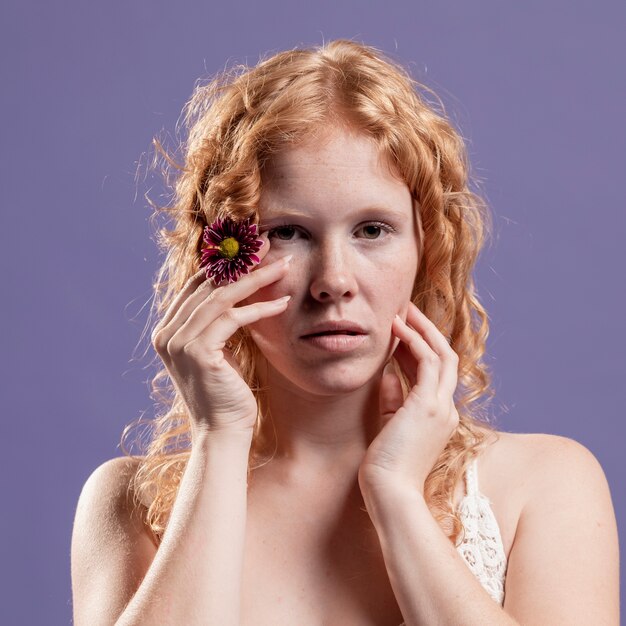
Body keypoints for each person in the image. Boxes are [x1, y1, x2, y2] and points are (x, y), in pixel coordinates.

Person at [70, 39, 619, 625]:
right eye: (288, 232)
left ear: (426, 249)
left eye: (373, 230)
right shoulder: (130, 504)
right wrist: (220, 435)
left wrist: (397, 496)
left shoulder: (545, 485)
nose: (333, 281)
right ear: (220, 258)